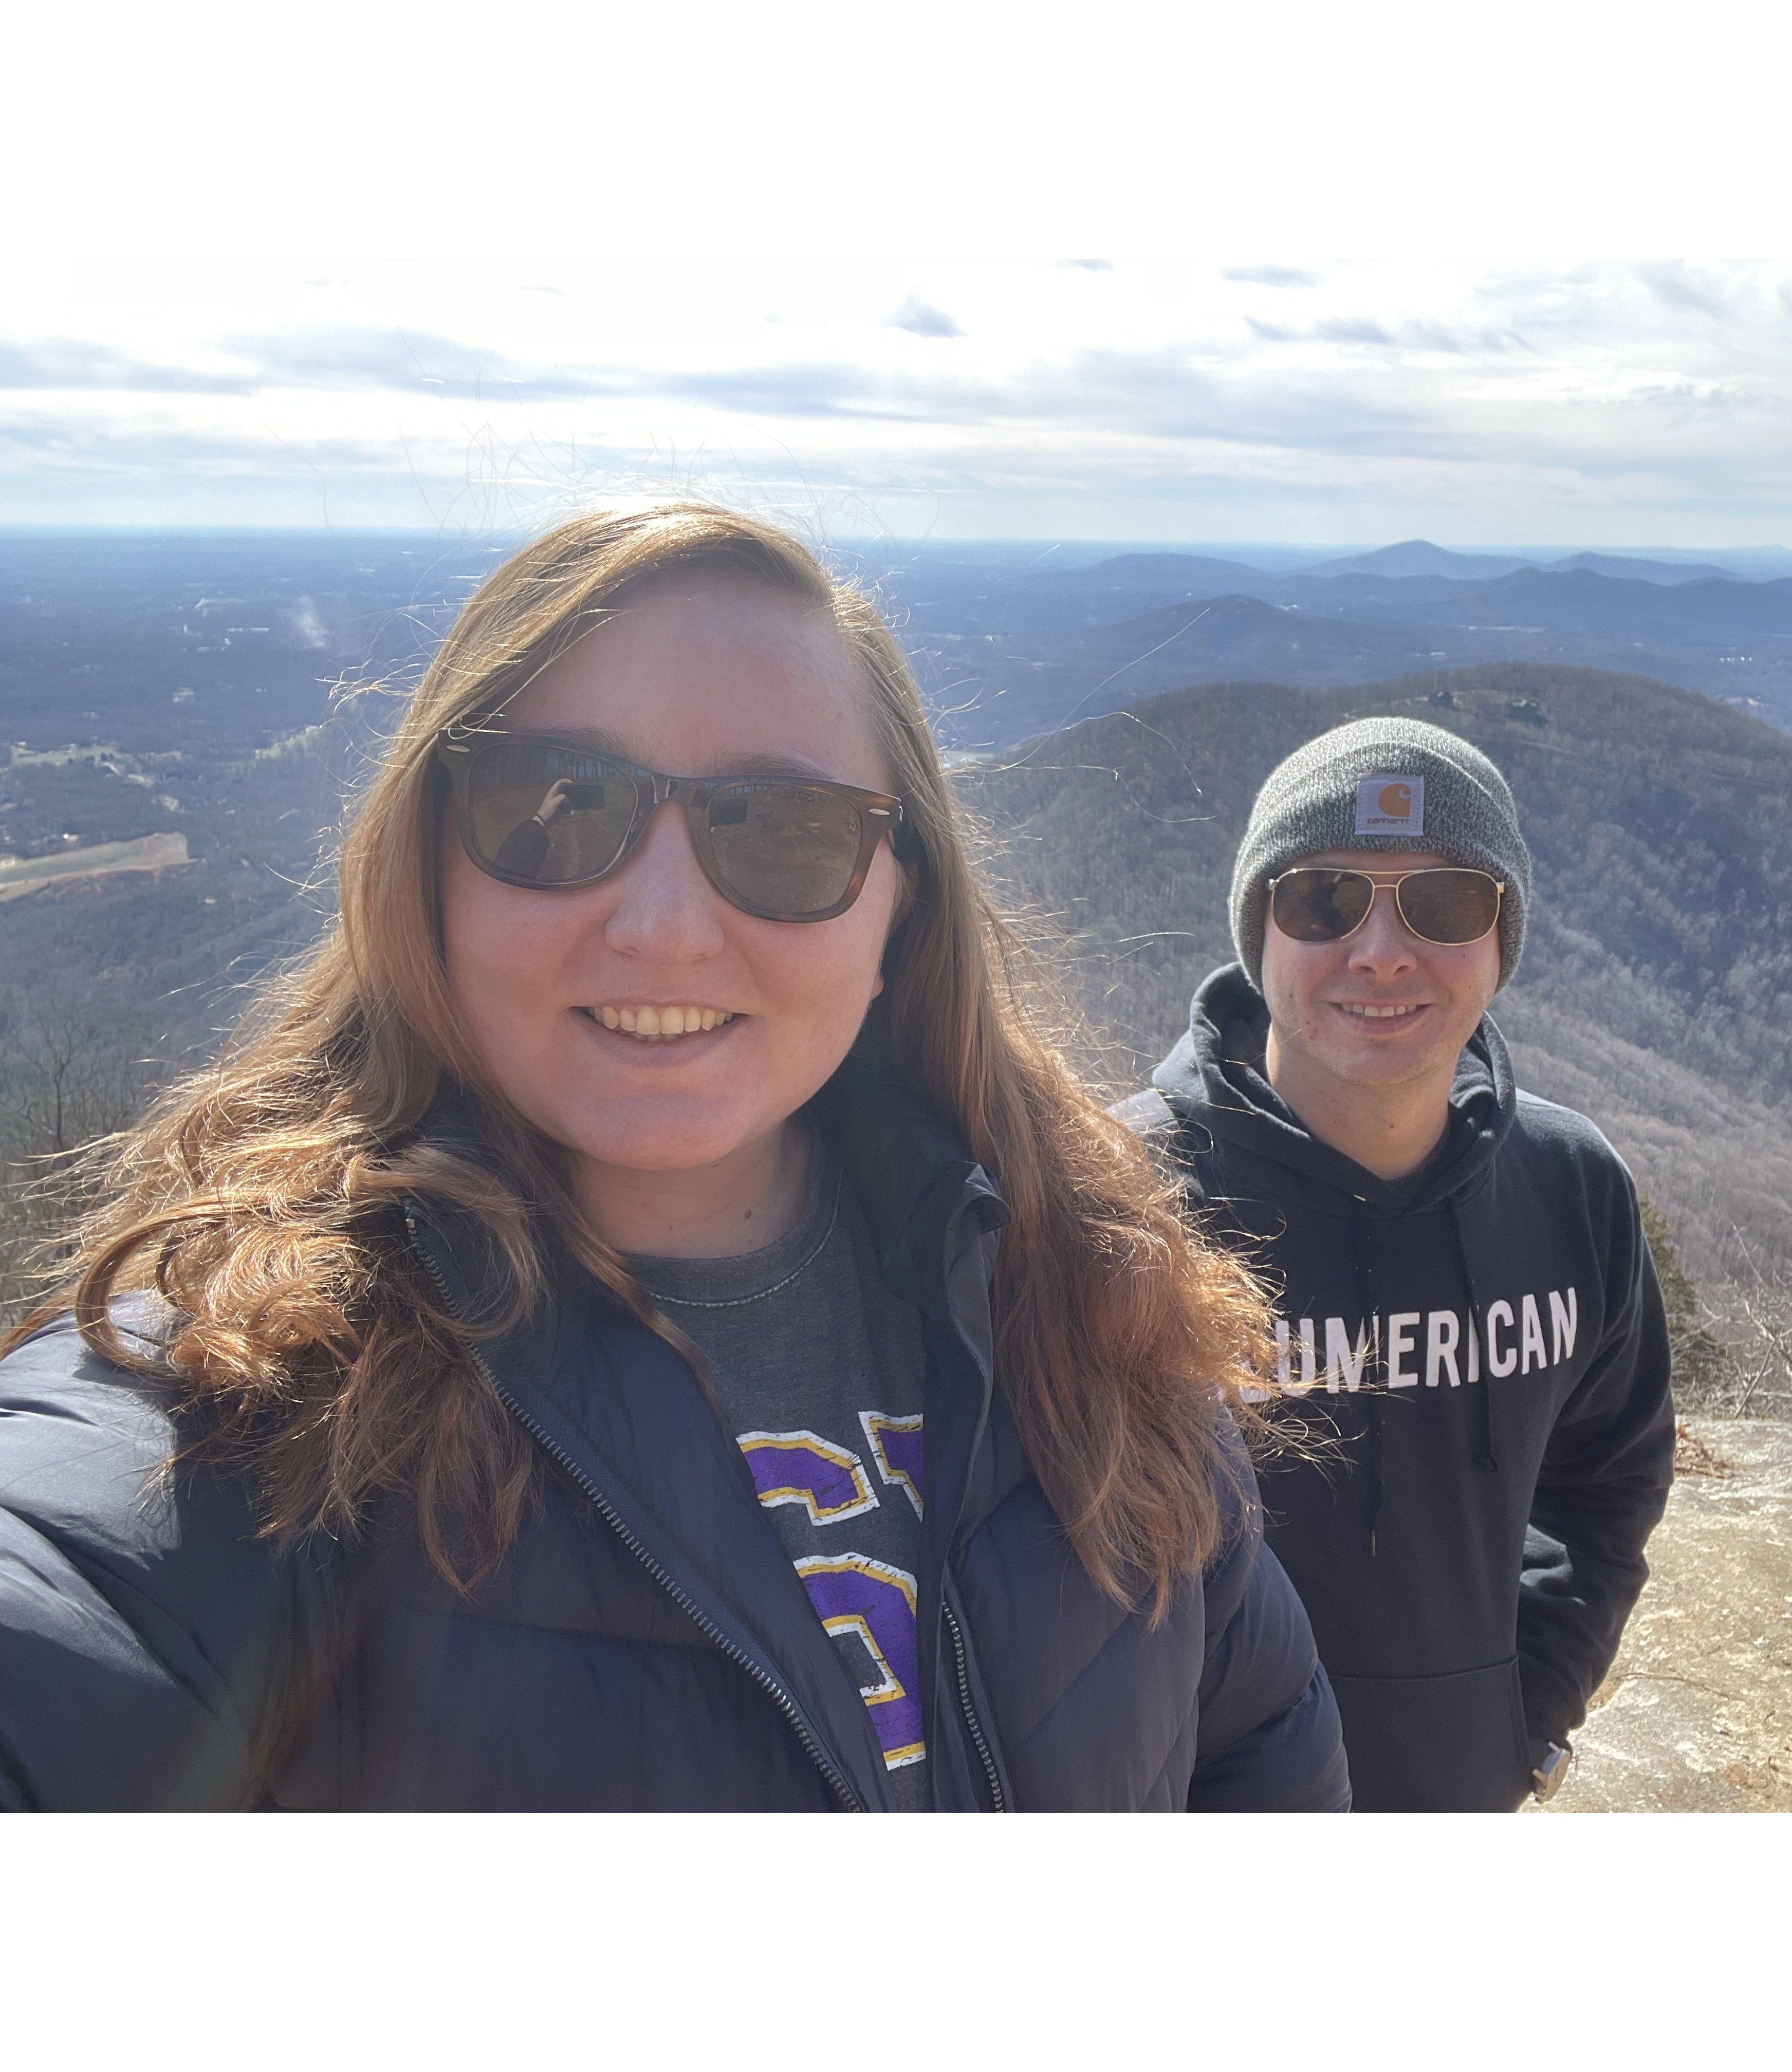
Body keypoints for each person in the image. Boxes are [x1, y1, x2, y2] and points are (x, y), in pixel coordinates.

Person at [0, 504, 1348, 1813]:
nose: (661, 923)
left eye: (782, 828)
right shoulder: (235, 1413)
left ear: (901, 909)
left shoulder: (1084, 1299)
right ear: (431, 873)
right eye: (557, 806)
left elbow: (1256, 1738)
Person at [1118, 716, 1673, 1812]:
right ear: (1258, 931)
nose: (1381, 951)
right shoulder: (1128, 1202)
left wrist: (1530, 1710)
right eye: (1324, 899)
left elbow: (1608, 1475)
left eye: (1444, 904)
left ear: (1501, 937)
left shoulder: (1572, 1192)